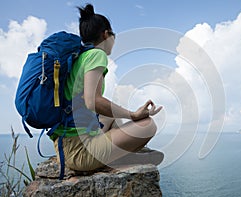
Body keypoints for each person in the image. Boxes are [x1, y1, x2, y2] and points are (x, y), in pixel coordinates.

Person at [51, 4, 163, 172]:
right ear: (106, 34)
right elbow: (92, 101)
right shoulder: (97, 55)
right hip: (80, 152)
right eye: (113, 35)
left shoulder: (80, 57)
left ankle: (118, 154)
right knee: (148, 125)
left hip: (65, 145)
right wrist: (133, 114)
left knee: (110, 115)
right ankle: (119, 158)